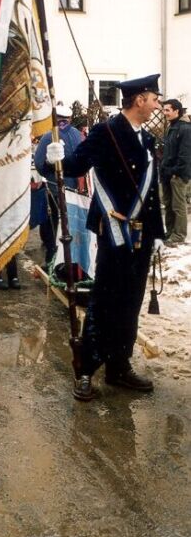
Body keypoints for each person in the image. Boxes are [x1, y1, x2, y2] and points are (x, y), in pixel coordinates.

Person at [45, 75, 165, 402]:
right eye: (154, 97)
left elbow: (151, 192)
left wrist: (157, 234)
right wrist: (51, 159)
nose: (157, 102)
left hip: (140, 237)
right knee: (105, 301)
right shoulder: (106, 132)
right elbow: (74, 164)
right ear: (139, 99)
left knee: (131, 301)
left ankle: (119, 366)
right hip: (114, 234)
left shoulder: (147, 139)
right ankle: (86, 371)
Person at [34, 104, 84, 267]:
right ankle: (67, 259)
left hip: (56, 188)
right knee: (68, 225)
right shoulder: (78, 135)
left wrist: (48, 165)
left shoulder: (48, 136)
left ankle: (52, 257)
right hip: (73, 190)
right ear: (69, 119)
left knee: (52, 224)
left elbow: (40, 165)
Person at [160, 98, 191, 246]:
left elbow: (185, 155)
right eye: (163, 109)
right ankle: (170, 233)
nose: (164, 113)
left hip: (178, 175)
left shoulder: (185, 129)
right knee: (168, 204)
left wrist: (175, 172)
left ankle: (178, 235)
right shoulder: (172, 126)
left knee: (178, 206)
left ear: (176, 111)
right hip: (168, 173)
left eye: (167, 110)